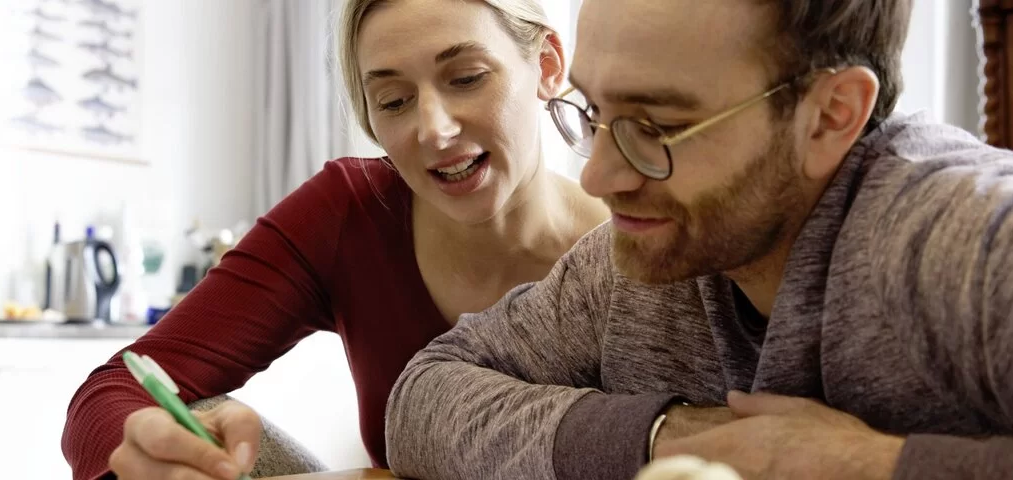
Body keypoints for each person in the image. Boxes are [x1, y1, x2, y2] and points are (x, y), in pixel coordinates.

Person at [383, 1, 1013, 479]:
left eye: (657, 125)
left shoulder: (966, 241)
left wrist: (877, 467)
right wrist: (670, 436)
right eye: (595, 113)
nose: (597, 177)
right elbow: (423, 397)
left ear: (830, 115)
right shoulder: (632, 264)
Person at [59, 0, 608, 478]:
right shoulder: (349, 213)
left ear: (547, 63)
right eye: (394, 101)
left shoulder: (642, 239)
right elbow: (113, 390)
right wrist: (153, 458)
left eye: (466, 78)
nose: (434, 130)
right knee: (191, 423)